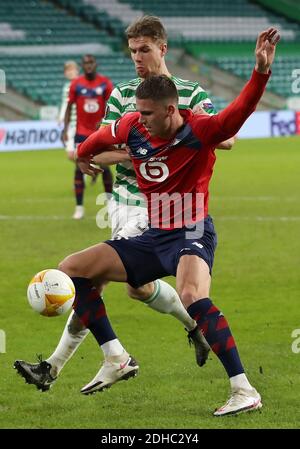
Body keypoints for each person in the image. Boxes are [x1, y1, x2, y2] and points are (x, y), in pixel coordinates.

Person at [53, 27, 278, 415]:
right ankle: (116, 357)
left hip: (191, 230)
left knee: (193, 296)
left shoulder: (200, 129)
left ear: (172, 110)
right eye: (137, 113)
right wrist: (83, 154)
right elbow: (97, 139)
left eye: (147, 114)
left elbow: (238, 113)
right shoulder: (133, 126)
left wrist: (260, 72)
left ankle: (244, 390)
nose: (140, 121)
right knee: (71, 269)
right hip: (153, 234)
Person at [14, 16, 234, 395]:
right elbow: (103, 149)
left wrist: (161, 150)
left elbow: (224, 139)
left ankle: (69, 364)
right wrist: (140, 152)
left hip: (167, 204)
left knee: (94, 279)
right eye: (132, 51)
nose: (136, 58)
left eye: (143, 50)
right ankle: (186, 327)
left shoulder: (190, 92)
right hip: (126, 201)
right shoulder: (122, 95)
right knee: (132, 287)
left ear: (162, 49)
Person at [62, 54, 114, 219]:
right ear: (82, 66)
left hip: (100, 133)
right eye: (85, 63)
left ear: (96, 64)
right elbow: (69, 107)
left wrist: (107, 123)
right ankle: (79, 207)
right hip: (81, 134)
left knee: (105, 167)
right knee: (79, 167)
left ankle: (110, 204)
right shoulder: (76, 84)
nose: (89, 66)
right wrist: (65, 128)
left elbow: (112, 106)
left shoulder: (105, 83)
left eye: (91, 63)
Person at [58, 60, 79, 162]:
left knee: (79, 152)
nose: (70, 72)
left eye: (72, 69)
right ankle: (87, 167)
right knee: (71, 154)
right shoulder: (66, 87)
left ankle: (84, 172)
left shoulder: (81, 84)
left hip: (81, 124)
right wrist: (61, 117)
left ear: (77, 71)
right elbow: (65, 103)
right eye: (68, 70)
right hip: (70, 124)